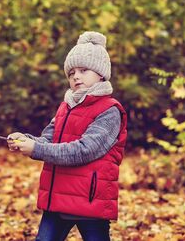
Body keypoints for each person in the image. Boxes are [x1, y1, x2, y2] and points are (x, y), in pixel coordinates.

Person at [7, 31, 128, 241]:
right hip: (58, 195)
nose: (76, 76)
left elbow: (85, 150)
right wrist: (26, 140)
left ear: (100, 74)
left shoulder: (110, 110)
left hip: (90, 200)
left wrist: (37, 149)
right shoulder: (66, 106)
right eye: (71, 72)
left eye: (83, 70)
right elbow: (49, 140)